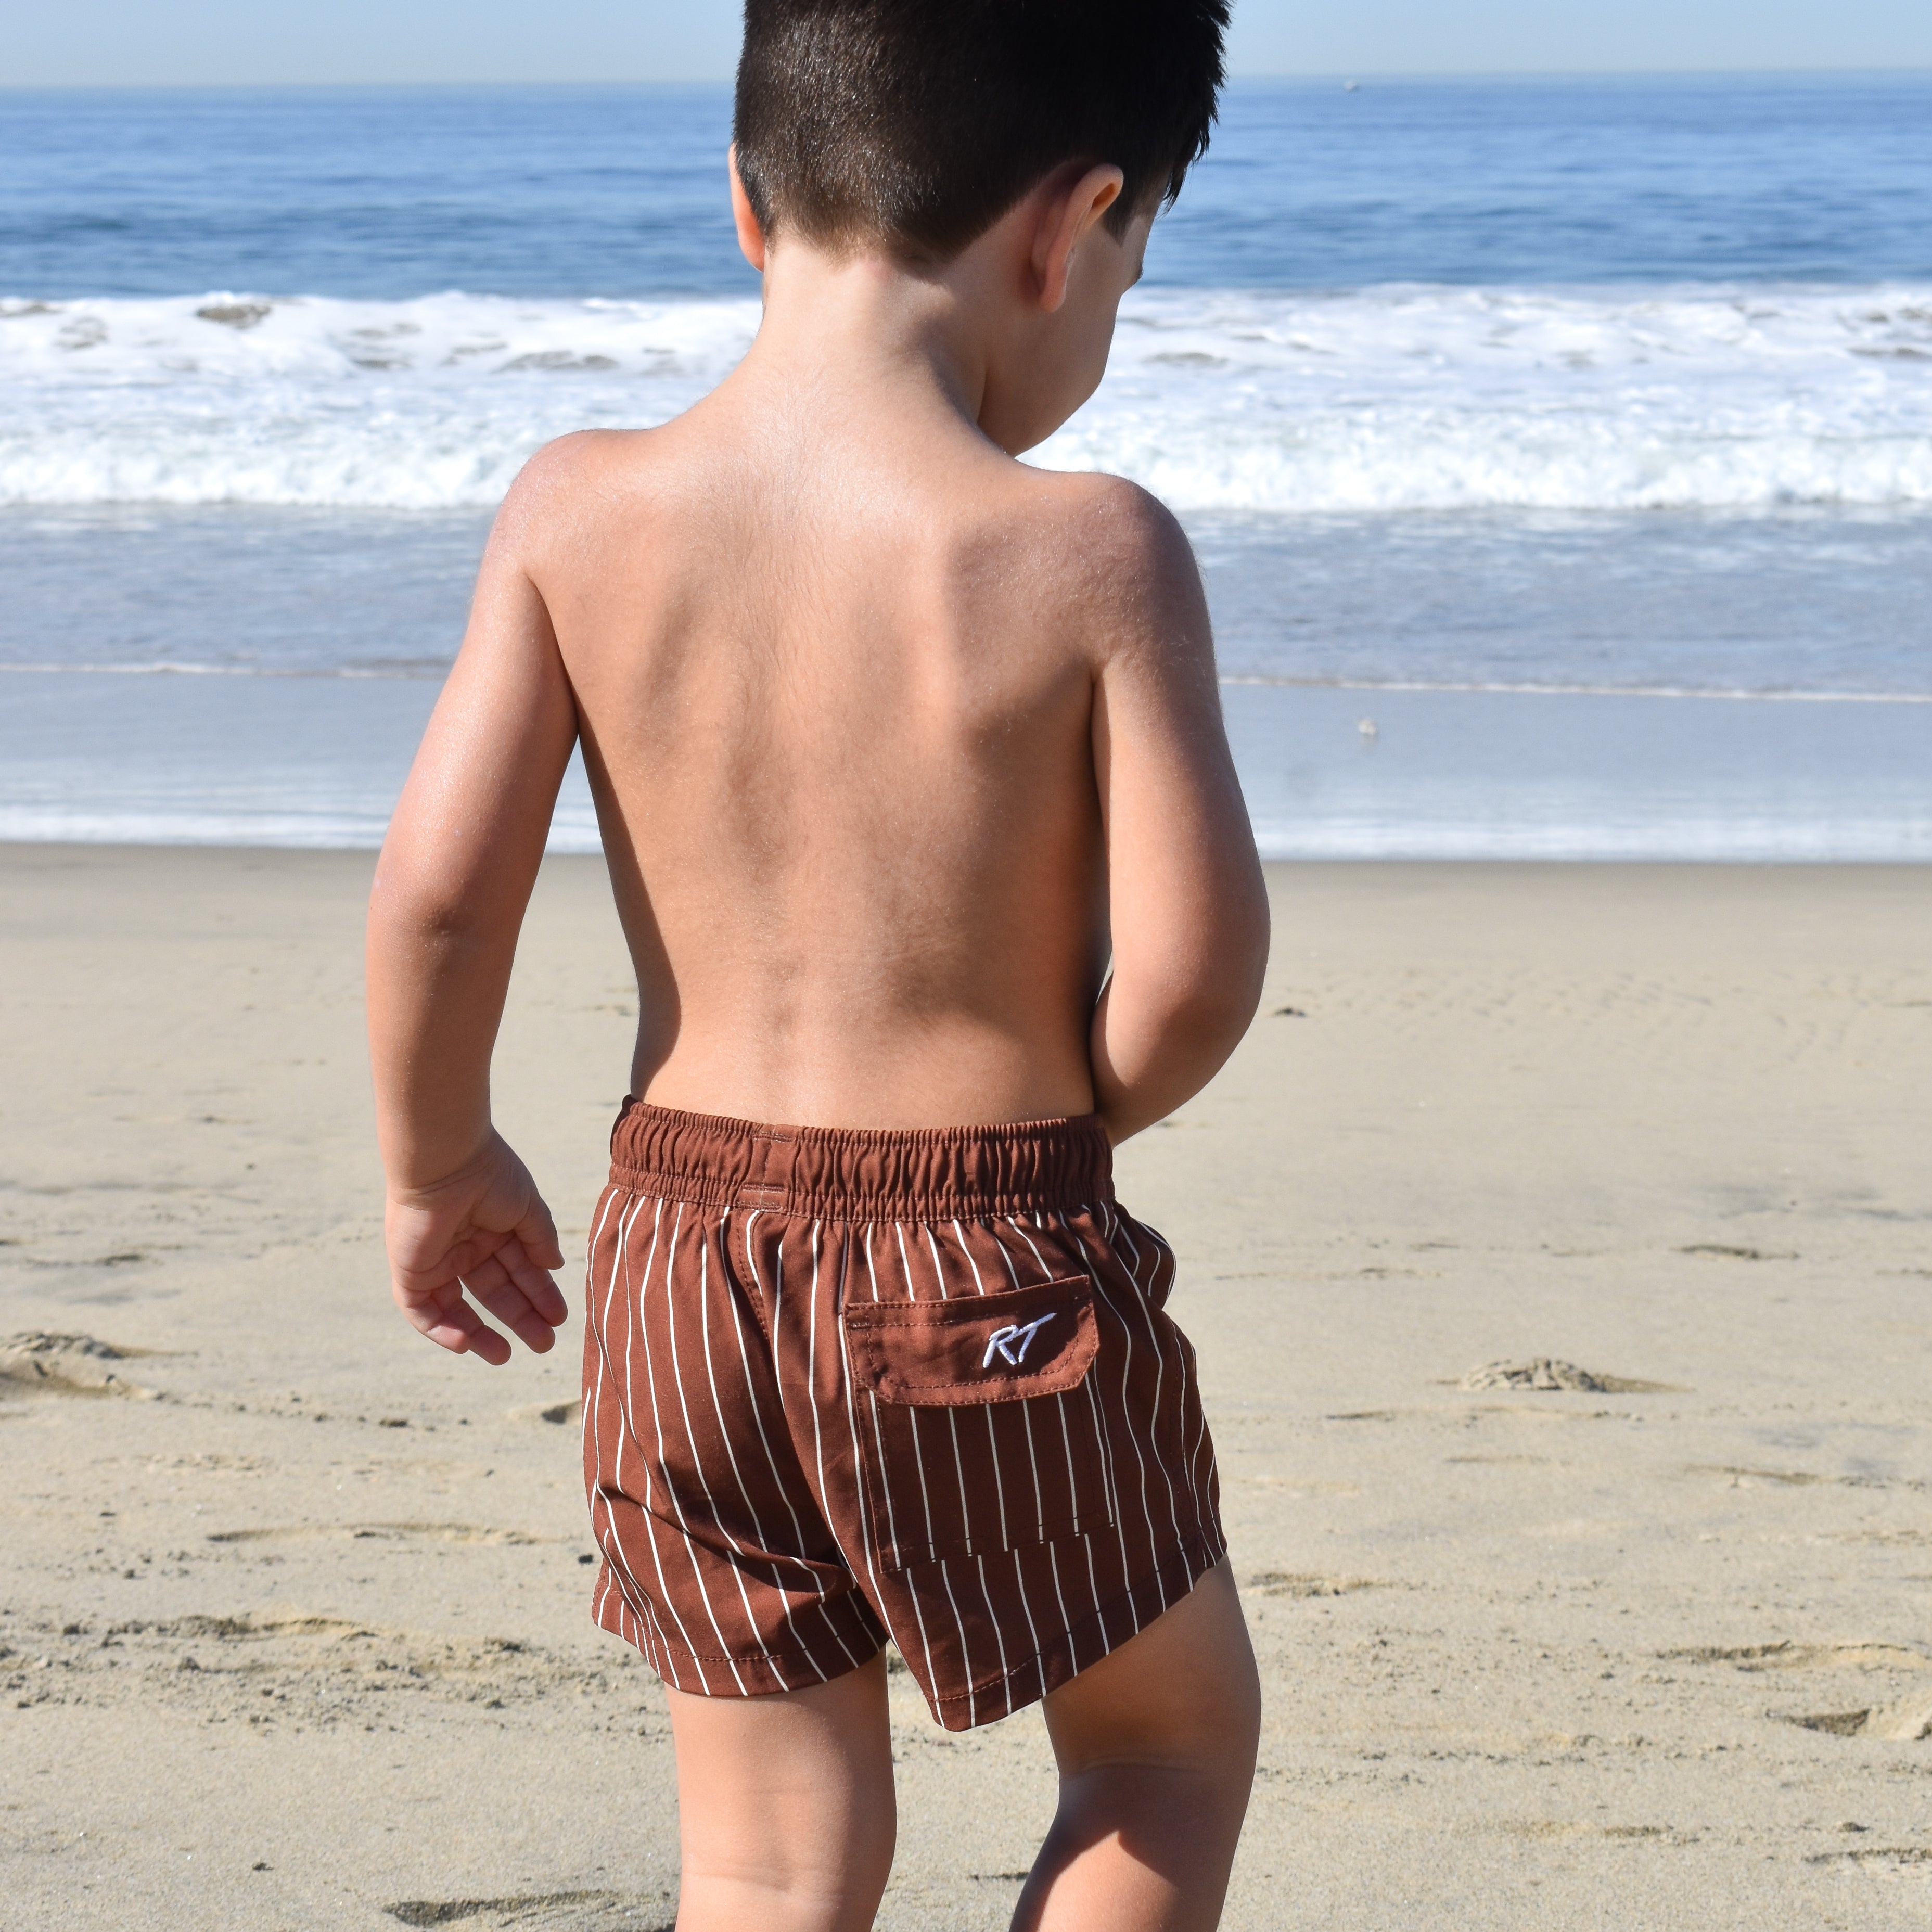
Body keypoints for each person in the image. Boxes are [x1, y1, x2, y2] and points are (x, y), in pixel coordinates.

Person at [366, 3, 1270, 1925]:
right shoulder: (1086, 548)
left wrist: (439, 1162)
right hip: (986, 1248)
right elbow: (1191, 975)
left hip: (677, 1256)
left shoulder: (576, 509)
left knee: (769, 1853)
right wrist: (1059, 1099)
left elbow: (444, 897)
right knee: (1155, 1748)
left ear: (746, 205)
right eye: (1129, 260)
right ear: (1076, 221)